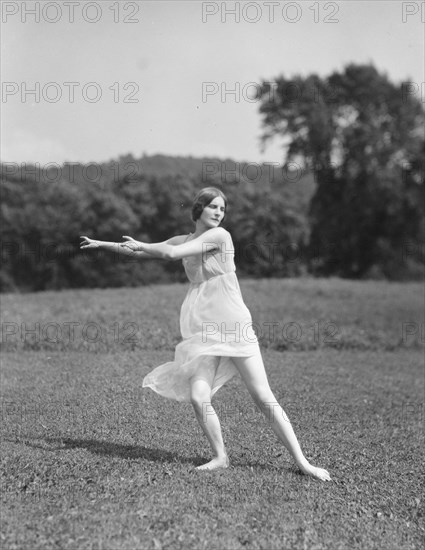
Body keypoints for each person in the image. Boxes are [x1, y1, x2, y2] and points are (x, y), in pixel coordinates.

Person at [80, 187, 331, 481]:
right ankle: (220, 456)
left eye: (222, 209)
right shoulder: (186, 239)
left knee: (263, 397)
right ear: (198, 209)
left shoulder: (220, 237)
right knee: (199, 397)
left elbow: (170, 253)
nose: (218, 213)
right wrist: (102, 243)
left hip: (233, 324)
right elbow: (138, 248)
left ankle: (303, 462)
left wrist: (144, 245)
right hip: (204, 328)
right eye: (213, 207)